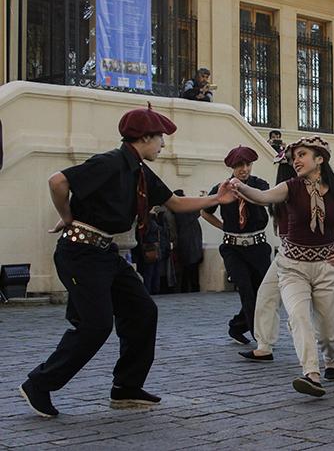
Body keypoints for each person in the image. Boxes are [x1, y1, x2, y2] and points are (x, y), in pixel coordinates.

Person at [19, 105, 236, 418]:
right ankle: (39, 384)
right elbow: (57, 182)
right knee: (96, 326)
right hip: (80, 254)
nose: (163, 144)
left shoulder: (140, 171)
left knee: (142, 311)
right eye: (160, 138)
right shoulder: (109, 162)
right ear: (144, 137)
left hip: (105, 254)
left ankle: (126, 388)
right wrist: (67, 217)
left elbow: (174, 202)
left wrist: (216, 199)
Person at [232, 136, 334, 397]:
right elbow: (263, 197)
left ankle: (331, 359)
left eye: (302, 155)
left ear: (319, 159)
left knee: (328, 329)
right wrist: (240, 186)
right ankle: (311, 373)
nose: (295, 160)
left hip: (326, 267)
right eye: (294, 156)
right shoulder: (291, 186)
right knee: (298, 317)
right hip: (292, 266)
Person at [201, 146, 271, 345]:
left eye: (248, 164)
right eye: (240, 165)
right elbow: (205, 212)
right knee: (246, 290)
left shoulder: (260, 185)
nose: (245, 169)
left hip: (258, 246)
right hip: (233, 248)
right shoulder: (221, 188)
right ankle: (261, 339)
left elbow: (270, 202)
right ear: (232, 167)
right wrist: (224, 227)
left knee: (262, 292)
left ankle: (237, 326)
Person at [172, 190, 203, 293]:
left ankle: (185, 289)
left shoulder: (177, 213)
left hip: (185, 245)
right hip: (191, 246)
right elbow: (198, 210)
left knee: (185, 271)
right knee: (192, 272)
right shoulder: (186, 213)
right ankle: (192, 289)